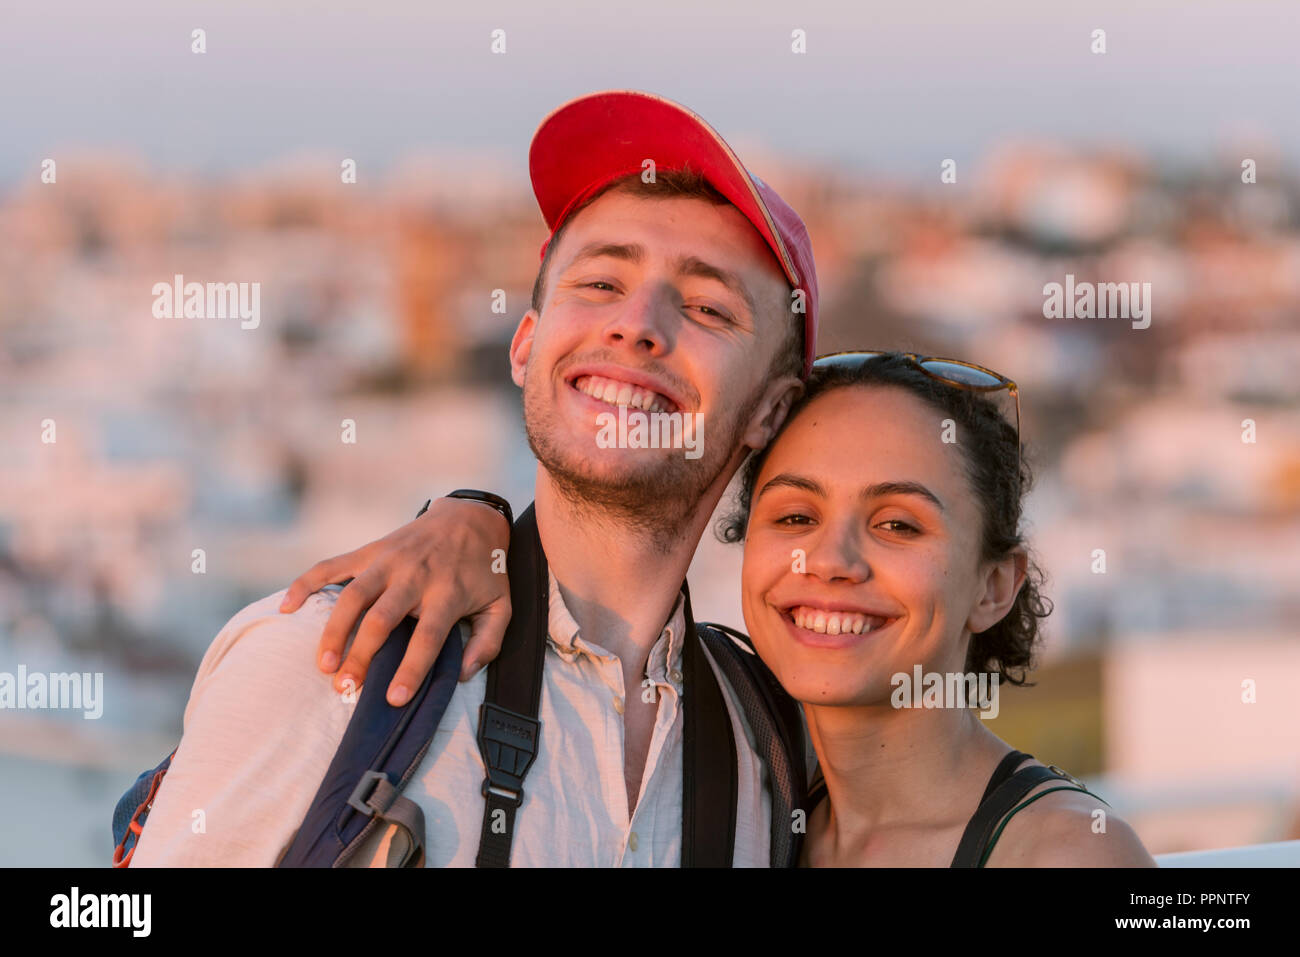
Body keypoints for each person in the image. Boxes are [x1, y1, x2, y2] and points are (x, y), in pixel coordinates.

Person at [127, 89, 818, 867]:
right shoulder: (330, 664)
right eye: (599, 284)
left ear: (769, 410)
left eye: (707, 306)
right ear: (525, 347)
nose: (636, 323)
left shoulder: (774, 753)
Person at [318, 351, 1157, 867]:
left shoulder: (1064, 853)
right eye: (794, 515)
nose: (830, 560)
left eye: (898, 523)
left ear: (995, 584)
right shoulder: (741, 772)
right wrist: (473, 516)